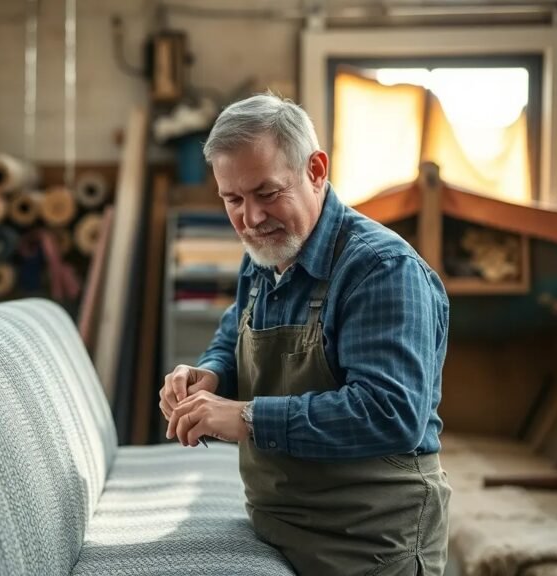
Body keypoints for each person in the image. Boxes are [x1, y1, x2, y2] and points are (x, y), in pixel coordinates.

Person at [158, 93, 452, 576]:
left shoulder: (381, 270)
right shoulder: (265, 253)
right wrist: (209, 374)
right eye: (233, 200)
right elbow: (234, 330)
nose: (251, 219)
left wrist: (249, 418)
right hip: (278, 522)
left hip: (370, 542)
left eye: (267, 193)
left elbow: (390, 412)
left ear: (316, 170)